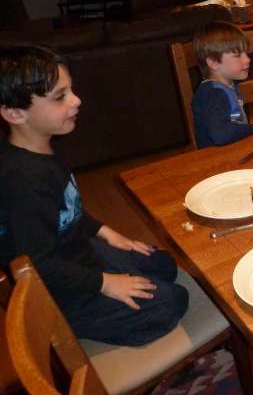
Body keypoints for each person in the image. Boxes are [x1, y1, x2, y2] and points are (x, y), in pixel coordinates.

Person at [0, 45, 188, 346]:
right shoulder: (23, 180)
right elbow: (39, 265)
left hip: (77, 252)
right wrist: (105, 283)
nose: (76, 100)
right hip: (60, 291)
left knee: (162, 263)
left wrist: (105, 232)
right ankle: (76, 326)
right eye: (60, 96)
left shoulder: (42, 146)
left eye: (71, 90)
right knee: (172, 301)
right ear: (14, 113)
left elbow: (67, 211)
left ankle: (123, 279)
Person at [192, 20, 253, 148]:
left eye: (246, 53)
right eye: (238, 55)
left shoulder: (227, 81)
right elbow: (221, 135)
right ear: (214, 63)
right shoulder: (214, 94)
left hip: (236, 148)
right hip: (218, 156)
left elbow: (249, 66)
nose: (247, 59)